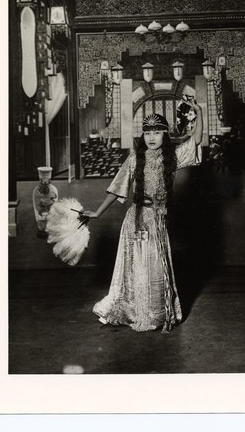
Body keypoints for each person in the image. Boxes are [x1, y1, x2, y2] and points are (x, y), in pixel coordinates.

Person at [82, 97, 203, 333]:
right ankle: (134, 312)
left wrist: (198, 112)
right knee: (137, 267)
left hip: (158, 221)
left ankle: (157, 313)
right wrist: (97, 212)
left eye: (157, 132)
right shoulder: (134, 158)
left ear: (165, 135)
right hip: (136, 221)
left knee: (157, 267)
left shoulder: (171, 158)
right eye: (148, 132)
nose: (151, 137)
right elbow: (118, 187)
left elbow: (196, 140)